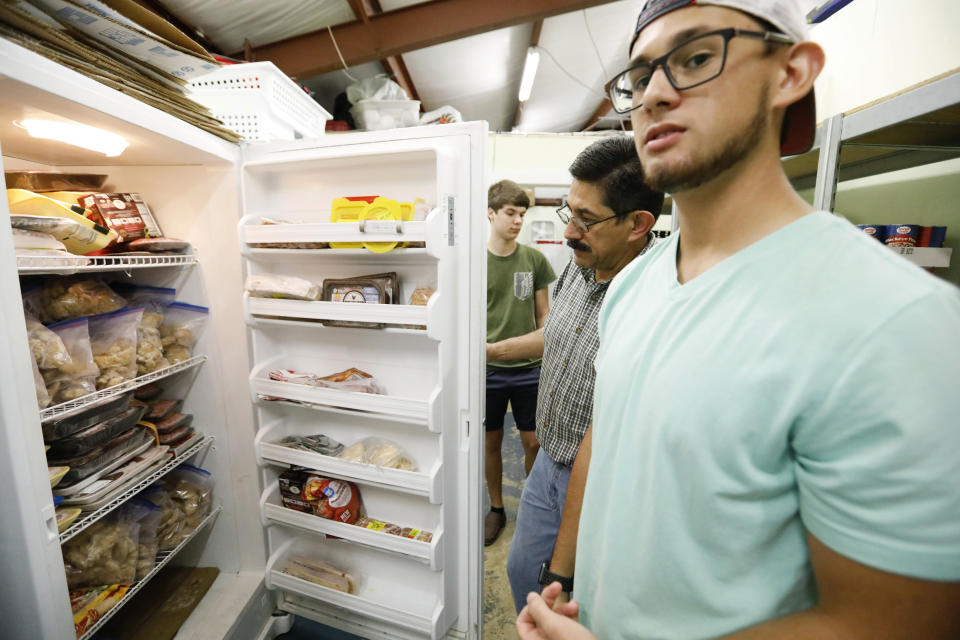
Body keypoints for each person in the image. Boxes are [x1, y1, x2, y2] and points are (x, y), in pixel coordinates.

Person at [520, 1, 960, 639]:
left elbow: (893, 622)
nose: (656, 96)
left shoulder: (892, 321)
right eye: (640, 79)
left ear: (790, 72)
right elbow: (604, 437)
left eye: (697, 58)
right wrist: (562, 579)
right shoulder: (634, 283)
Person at [489, 136, 663, 613]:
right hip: (549, 458)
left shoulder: (653, 298)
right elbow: (558, 335)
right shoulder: (579, 267)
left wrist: (562, 567)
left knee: (574, 597)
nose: (569, 232)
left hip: (602, 479)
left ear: (637, 224)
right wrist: (494, 349)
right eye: (570, 213)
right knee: (524, 573)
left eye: (586, 220)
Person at [484, 179, 556, 546]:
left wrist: (546, 348)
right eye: (510, 213)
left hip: (528, 369)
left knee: (533, 444)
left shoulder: (534, 259)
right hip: (487, 371)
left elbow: (543, 314)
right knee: (490, 443)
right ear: (491, 213)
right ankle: (496, 508)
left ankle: (531, 505)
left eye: (522, 214)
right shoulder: (473, 263)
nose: (517, 221)